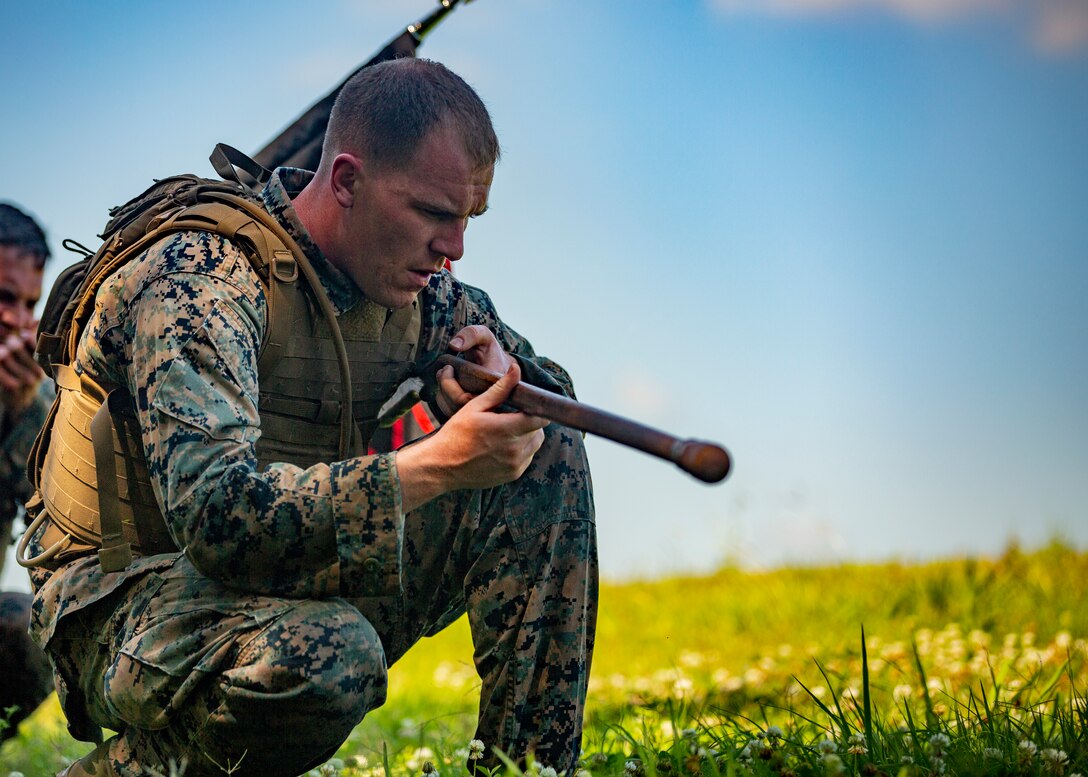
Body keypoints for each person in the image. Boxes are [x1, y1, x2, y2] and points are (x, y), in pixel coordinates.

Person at [25, 58, 597, 777]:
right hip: (119, 595)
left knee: (546, 449)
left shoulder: (426, 295)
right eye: (432, 213)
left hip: (279, 580)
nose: (454, 248)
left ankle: (532, 769)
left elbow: (552, 393)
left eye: (468, 218)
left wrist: (500, 380)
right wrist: (436, 463)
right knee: (326, 658)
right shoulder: (203, 274)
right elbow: (217, 518)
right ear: (348, 181)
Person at [0, 202, 55, 742]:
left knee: (29, 626)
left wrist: (20, 413)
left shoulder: (28, 395)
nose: (18, 321)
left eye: (30, 305)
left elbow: (49, 520)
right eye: (3, 298)